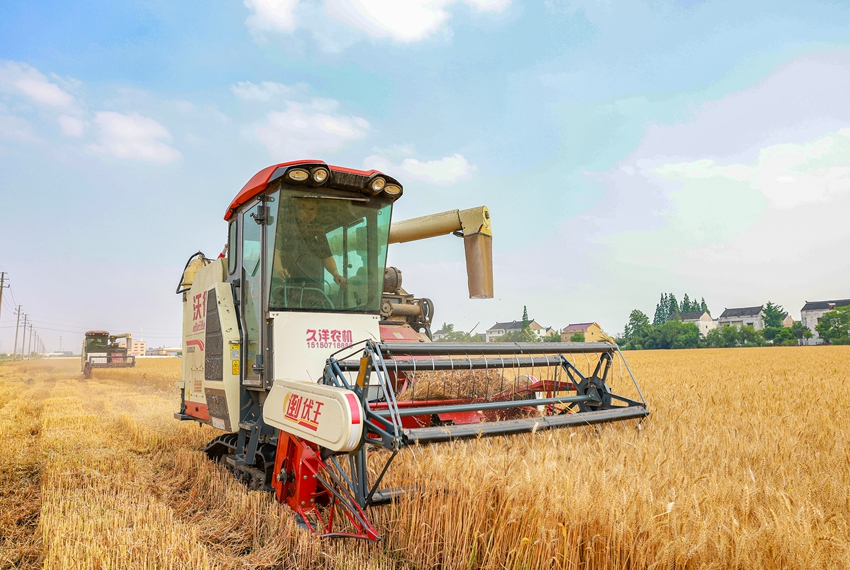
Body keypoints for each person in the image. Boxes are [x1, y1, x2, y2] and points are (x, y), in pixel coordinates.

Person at [275, 198, 347, 288]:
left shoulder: (317, 230)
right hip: (289, 285)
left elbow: (326, 256)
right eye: (303, 207)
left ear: (316, 210)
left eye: (312, 209)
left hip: (316, 286)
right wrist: (279, 270)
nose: (308, 212)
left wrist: (335, 274)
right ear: (297, 208)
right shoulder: (286, 227)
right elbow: (275, 252)